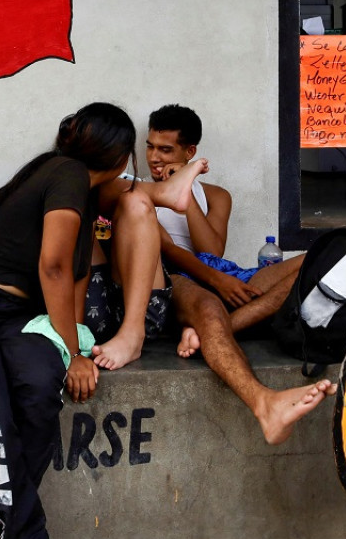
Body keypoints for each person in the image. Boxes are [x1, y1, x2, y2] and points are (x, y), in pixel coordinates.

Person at [0, 103, 204, 539]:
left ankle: (4, 524)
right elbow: (52, 267)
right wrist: (73, 353)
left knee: (39, 388)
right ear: (115, 158)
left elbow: (74, 270)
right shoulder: (66, 173)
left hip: (17, 315)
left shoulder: (82, 190)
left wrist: (67, 353)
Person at [136, 104, 332, 445]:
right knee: (210, 307)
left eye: (165, 150)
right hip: (178, 278)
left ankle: (210, 331)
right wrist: (216, 282)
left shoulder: (216, 195)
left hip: (220, 272)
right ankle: (261, 401)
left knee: (315, 259)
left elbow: (212, 249)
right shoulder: (138, 193)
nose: (155, 157)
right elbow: (168, 251)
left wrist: (187, 190)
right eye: (151, 146)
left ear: (189, 152)